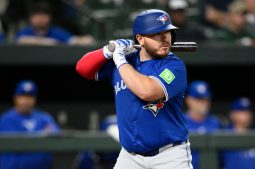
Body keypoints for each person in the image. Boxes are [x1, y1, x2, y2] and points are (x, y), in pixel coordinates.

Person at [76, 9, 192, 169]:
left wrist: (120, 60)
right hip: (130, 157)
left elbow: (147, 92)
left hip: (169, 156)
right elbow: (83, 68)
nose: (165, 38)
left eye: (168, 32)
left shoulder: (173, 65)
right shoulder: (125, 60)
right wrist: (108, 50)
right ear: (140, 39)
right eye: (157, 33)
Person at [0, 80, 59, 169]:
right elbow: (15, 143)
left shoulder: (44, 118)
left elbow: (57, 137)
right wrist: (41, 134)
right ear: (15, 98)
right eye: (22, 96)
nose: (26, 101)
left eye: (29, 96)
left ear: (34, 99)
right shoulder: (6, 119)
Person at [221, 97, 255, 169]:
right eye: (242, 111)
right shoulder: (224, 136)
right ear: (232, 114)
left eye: (249, 111)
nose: (247, 115)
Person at [16, 3, 94, 46]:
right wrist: (45, 42)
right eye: (37, 15)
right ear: (31, 18)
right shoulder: (25, 31)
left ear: (49, 18)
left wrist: (84, 39)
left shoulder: (55, 31)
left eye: (44, 15)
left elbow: (71, 40)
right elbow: (20, 40)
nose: (41, 19)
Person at [184, 81, 222, 169]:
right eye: (198, 99)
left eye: (206, 99)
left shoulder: (216, 122)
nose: (203, 102)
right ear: (188, 100)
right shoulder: (179, 122)